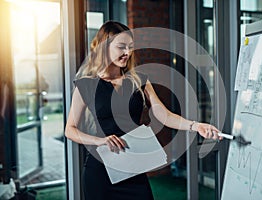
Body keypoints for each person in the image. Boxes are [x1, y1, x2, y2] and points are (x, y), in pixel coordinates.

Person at [65, 21, 222, 200]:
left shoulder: (139, 81)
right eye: (121, 47)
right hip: (99, 173)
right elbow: (70, 129)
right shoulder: (86, 85)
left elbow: (163, 114)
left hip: (133, 168)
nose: (127, 53)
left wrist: (195, 126)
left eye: (131, 47)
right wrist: (99, 141)